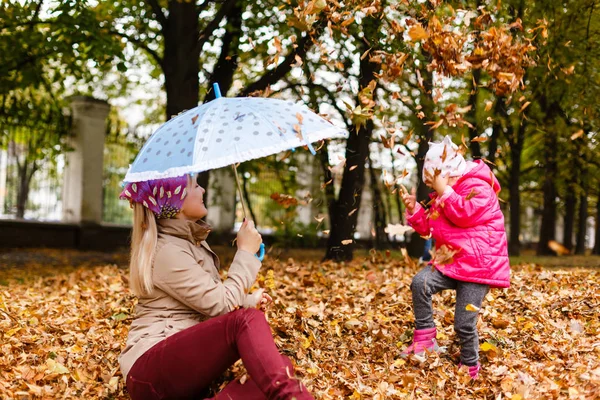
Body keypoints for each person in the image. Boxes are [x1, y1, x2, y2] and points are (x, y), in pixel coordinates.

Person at [118, 174, 313, 400]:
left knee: (279, 367)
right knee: (246, 322)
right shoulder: (167, 251)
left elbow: (205, 302)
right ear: (176, 201)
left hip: (174, 367)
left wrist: (248, 300)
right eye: (196, 186)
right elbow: (222, 305)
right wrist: (245, 253)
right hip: (150, 370)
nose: (202, 191)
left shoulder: (189, 243)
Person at [399, 135, 510, 379]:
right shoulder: (444, 193)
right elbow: (431, 226)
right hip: (452, 262)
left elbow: (464, 213)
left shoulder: (479, 188)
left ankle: (470, 365)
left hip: (478, 267)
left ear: (449, 174)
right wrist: (415, 210)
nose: (431, 188)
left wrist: (444, 192)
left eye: (433, 181)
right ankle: (426, 339)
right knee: (420, 283)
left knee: (463, 323)